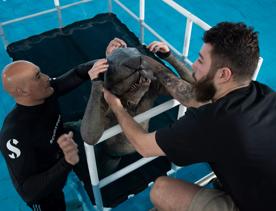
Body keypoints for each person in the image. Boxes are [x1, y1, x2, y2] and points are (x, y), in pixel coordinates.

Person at [101, 22, 276, 211]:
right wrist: (168, 57)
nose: (194, 64)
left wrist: (116, 106)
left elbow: (143, 146)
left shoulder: (210, 122)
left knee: (161, 189)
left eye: (200, 60)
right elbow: (196, 93)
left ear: (224, 74)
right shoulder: (265, 94)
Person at [0, 38, 126, 211]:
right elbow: (28, 191)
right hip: (45, 188)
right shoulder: (14, 134)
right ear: (22, 91)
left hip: (61, 144)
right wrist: (67, 162)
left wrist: (106, 61)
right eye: (38, 77)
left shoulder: (46, 92)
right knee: (55, 203)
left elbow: (77, 73)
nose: (46, 78)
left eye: (41, 72)